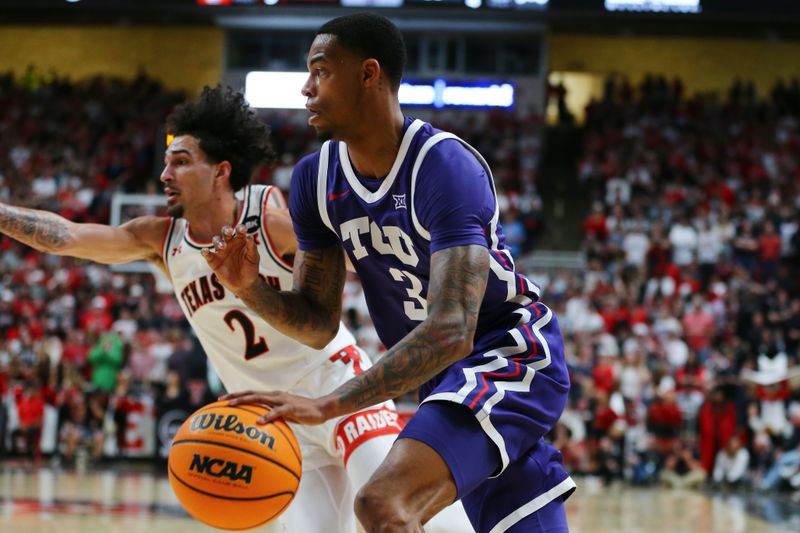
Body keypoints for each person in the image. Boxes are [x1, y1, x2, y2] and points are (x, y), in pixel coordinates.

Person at [0, 86, 468, 533]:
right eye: (165, 163)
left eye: (180, 163)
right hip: (272, 422)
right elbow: (66, 236)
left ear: (220, 171)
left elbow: (362, 256)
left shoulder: (268, 217)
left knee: (398, 511)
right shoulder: (160, 241)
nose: (165, 175)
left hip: (336, 389)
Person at [204, 13, 574, 532]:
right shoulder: (315, 179)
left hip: (507, 354)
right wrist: (250, 289)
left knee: (381, 504)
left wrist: (328, 404)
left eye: (320, 71)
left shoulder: (444, 166)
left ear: (368, 74)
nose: (306, 88)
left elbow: (452, 329)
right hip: (443, 379)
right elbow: (317, 322)